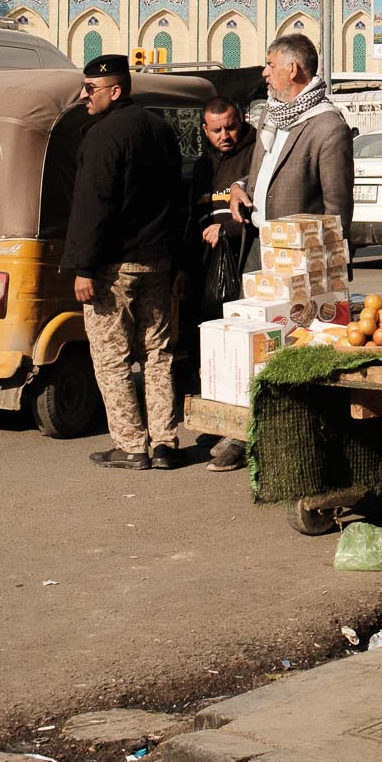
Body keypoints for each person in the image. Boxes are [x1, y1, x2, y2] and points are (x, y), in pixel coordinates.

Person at [63, 54, 185, 471]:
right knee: (158, 354)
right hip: (157, 262)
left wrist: (83, 267)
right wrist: (177, 260)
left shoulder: (103, 135)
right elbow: (178, 199)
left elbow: (92, 205)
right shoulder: (161, 129)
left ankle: (131, 445)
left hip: (113, 267)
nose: (84, 96)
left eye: (90, 89)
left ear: (115, 91)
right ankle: (165, 443)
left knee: (111, 357)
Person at [228, 34, 354, 262]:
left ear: (292, 69)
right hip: (256, 243)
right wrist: (241, 186)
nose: (265, 72)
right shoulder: (270, 114)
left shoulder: (328, 128)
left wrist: (328, 265)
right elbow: (270, 171)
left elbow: (337, 209)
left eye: (271, 64)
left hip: (299, 254)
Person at [186, 98, 257, 314]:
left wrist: (227, 229)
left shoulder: (256, 155)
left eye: (230, 127)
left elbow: (262, 211)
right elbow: (193, 218)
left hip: (243, 263)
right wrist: (183, 268)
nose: (224, 136)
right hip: (206, 267)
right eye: (217, 130)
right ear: (205, 130)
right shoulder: (203, 165)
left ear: (241, 122)